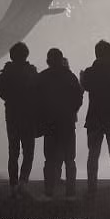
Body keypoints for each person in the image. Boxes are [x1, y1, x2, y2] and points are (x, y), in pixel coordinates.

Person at [80, 40, 110, 193]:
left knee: (93, 154)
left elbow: (85, 86)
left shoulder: (90, 71)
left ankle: (92, 186)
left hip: (95, 117)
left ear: (96, 53)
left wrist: (82, 77)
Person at [36, 48, 83, 198]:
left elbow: (36, 99)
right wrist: (70, 111)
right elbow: (78, 99)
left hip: (49, 123)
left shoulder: (43, 77)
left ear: (48, 60)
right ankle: (70, 192)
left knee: (49, 159)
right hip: (67, 122)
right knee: (70, 159)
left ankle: (49, 191)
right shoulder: (70, 76)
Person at [0, 41, 39, 198]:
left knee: (13, 151)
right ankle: (23, 182)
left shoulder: (5, 74)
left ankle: (13, 184)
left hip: (12, 115)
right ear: (26, 55)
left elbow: (2, 94)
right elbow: (38, 92)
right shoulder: (32, 72)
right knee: (28, 151)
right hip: (29, 116)